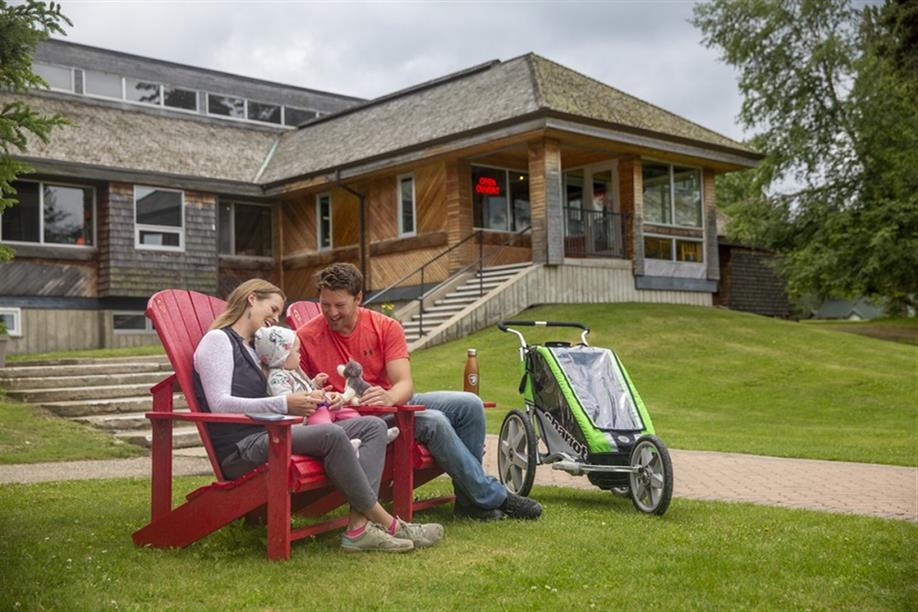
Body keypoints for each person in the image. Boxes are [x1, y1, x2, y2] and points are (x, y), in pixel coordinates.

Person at [192, 278, 443, 552]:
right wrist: (285, 403)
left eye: (279, 313)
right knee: (331, 434)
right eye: (273, 309)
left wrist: (316, 396)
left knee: (373, 427)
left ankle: (358, 528)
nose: (275, 318)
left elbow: (280, 387)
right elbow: (219, 405)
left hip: (276, 433)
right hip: (243, 447)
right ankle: (389, 523)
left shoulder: (257, 348)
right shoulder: (218, 340)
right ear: (252, 298)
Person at [296, 263, 543, 521]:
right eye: (325, 305)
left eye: (339, 305)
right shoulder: (306, 336)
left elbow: (404, 384)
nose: (331, 313)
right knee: (433, 420)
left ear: (358, 298)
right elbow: (296, 389)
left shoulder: (384, 326)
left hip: (393, 403)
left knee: (470, 404)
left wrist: (389, 397)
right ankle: (494, 496)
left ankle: (469, 501)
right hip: (355, 420)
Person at [253, 325, 400, 454]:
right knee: (322, 417)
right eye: (296, 351)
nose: (300, 354)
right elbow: (287, 401)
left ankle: (377, 435)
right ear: (281, 356)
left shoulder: (293, 371)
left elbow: (303, 387)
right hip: (303, 420)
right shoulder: (277, 378)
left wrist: (316, 384)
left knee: (345, 411)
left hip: (316, 408)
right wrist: (312, 396)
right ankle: (343, 444)